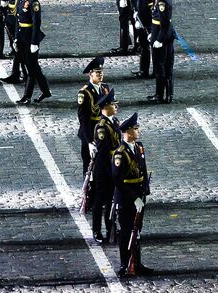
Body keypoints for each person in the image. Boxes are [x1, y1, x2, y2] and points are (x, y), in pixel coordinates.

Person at [113, 112, 151, 276]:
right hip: (127, 198)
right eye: (136, 128)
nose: (139, 131)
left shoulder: (139, 147)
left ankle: (137, 262)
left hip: (139, 196)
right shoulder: (120, 154)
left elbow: (143, 170)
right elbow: (118, 181)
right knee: (127, 231)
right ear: (128, 131)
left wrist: (145, 193)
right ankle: (124, 264)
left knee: (137, 231)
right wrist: (135, 198)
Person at [15, 0, 51, 104]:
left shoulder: (33, 2)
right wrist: (16, 38)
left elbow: (36, 23)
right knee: (34, 67)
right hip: (22, 38)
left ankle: (27, 96)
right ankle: (46, 92)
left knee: (30, 69)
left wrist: (34, 42)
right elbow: (17, 20)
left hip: (30, 39)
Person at [89, 89, 120, 242]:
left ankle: (110, 228)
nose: (117, 107)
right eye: (114, 104)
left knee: (111, 201)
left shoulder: (114, 121)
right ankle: (96, 231)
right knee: (99, 201)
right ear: (106, 107)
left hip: (113, 168)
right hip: (104, 169)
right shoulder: (101, 127)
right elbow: (104, 152)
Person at [77, 57, 111, 176]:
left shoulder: (105, 87)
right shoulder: (84, 93)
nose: (100, 75)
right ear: (90, 74)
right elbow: (83, 119)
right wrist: (89, 141)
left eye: (101, 72)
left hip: (103, 130)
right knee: (88, 167)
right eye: (97, 73)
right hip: (90, 131)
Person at [147, 0, 176, 103]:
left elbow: (164, 22)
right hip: (160, 33)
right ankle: (167, 94)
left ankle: (161, 95)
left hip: (162, 36)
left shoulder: (162, 0)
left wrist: (159, 39)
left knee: (161, 67)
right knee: (165, 67)